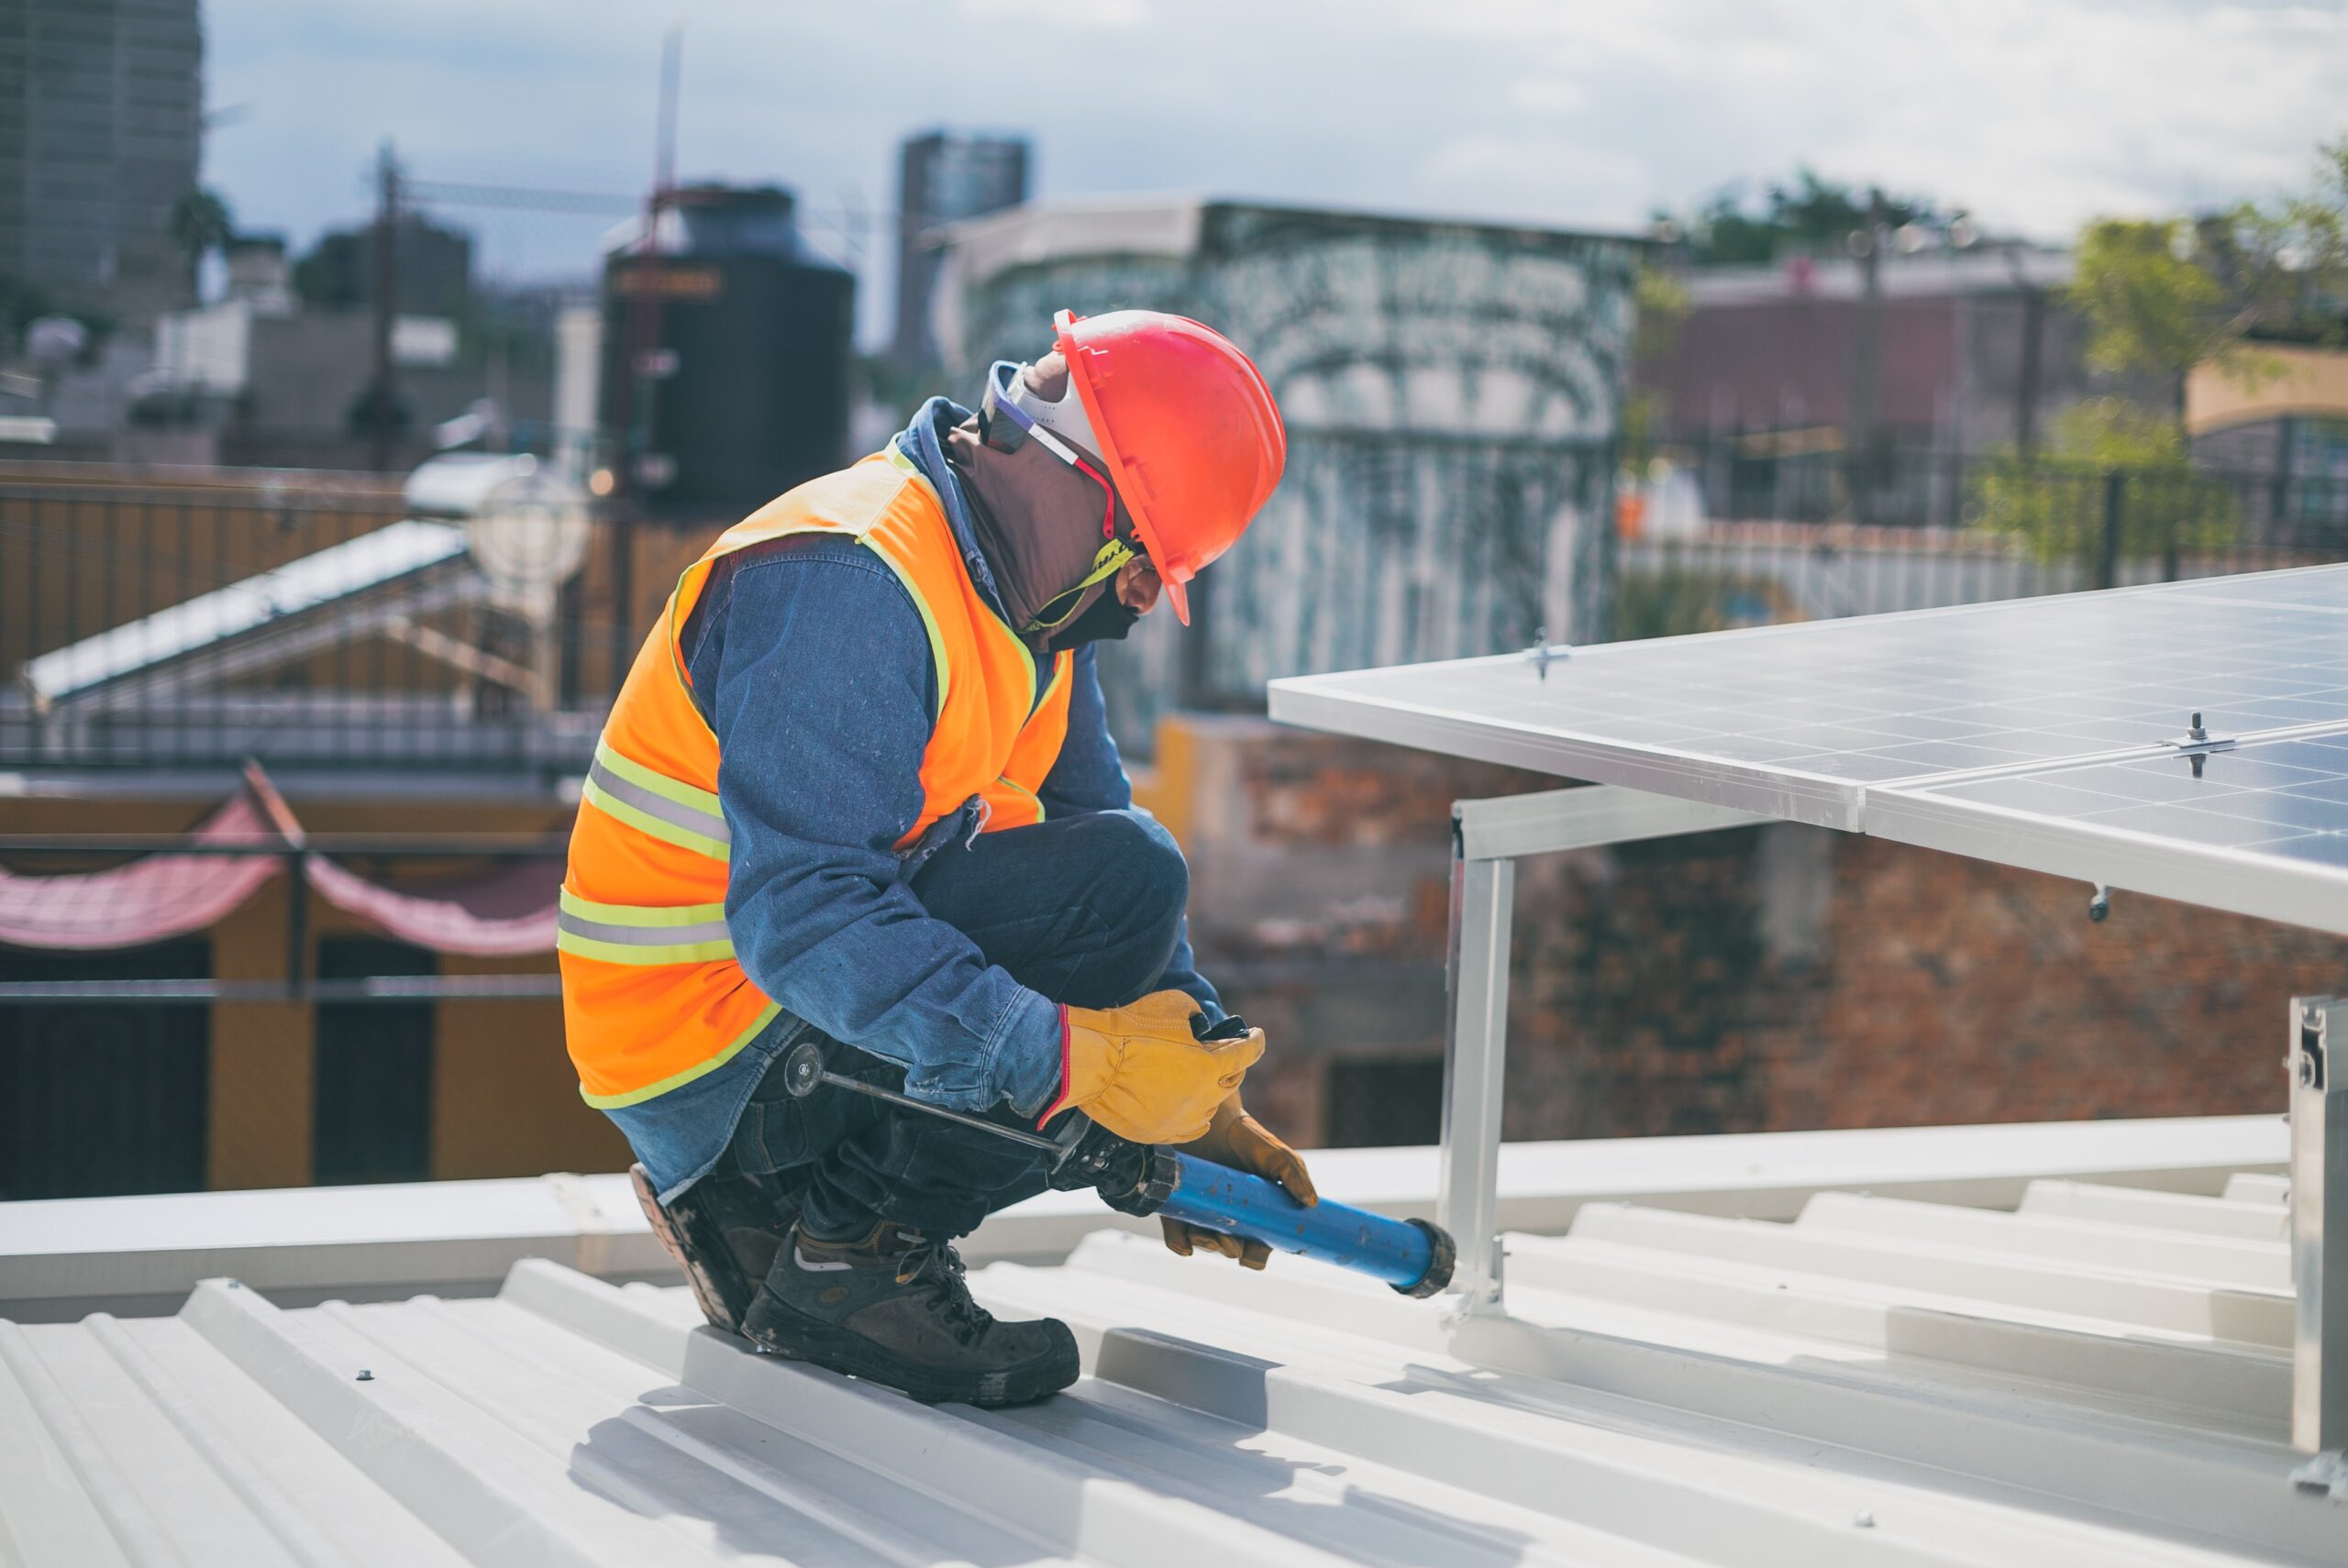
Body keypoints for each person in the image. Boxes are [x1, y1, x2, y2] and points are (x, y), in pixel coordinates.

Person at [559, 309, 1317, 1408]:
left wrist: (1191, 1096)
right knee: (1100, 943)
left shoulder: (1028, 606)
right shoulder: (850, 577)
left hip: (785, 1020)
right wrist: (1072, 1065)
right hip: (711, 1058)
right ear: (1062, 472)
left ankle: (824, 1238)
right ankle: (845, 1259)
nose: (1145, 598)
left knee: (1120, 891)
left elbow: (1093, 866)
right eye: (1143, 555)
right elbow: (804, 915)